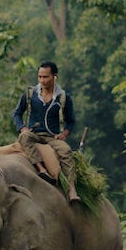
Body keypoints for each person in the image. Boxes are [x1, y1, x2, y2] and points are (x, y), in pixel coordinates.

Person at [12, 61, 79, 202]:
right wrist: (22, 127)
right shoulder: (30, 94)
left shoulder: (63, 97)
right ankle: (41, 168)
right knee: (24, 137)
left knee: (66, 151)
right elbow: (17, 113)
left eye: (45, 77)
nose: (42, 80)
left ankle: (71, 189)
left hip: (52, 137)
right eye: (39, 77)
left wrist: (64, 134)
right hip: (34, 134)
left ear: (55, 77)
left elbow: (71, 121)